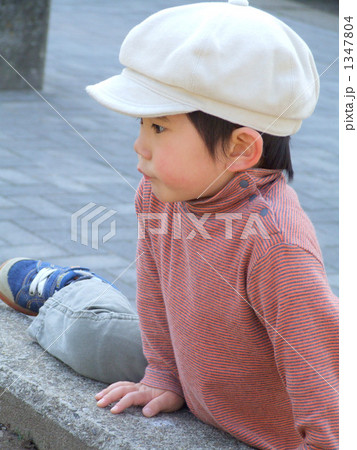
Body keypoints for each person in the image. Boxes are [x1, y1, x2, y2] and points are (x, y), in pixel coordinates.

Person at [0, 1, 338, 449]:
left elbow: (326, 386)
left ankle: (82, 294)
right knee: (87, 338)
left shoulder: (277, 246)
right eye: (143, 123)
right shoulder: (162, 196)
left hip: (266, 413)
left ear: (240, 149)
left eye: (159, 127)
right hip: (190, 359)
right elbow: (155, 283)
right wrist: (162, 373)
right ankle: (70, 290)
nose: (139, 145)